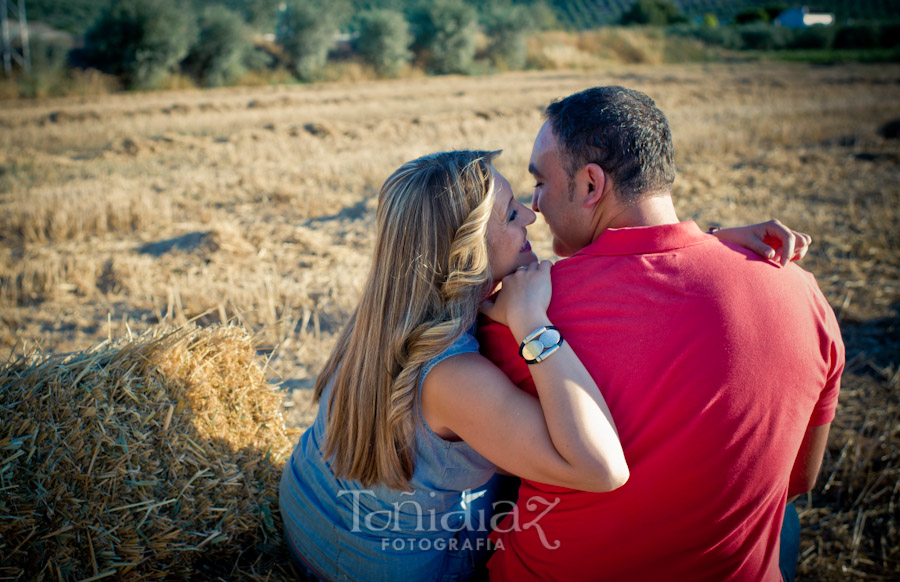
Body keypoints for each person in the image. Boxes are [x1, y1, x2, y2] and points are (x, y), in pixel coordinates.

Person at [279, 149, 814, 582]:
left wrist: (708, 247)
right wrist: (533, 325)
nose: (532, 215)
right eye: (512, 214)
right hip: (372, 565)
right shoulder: (452, 378)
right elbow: (602, 470)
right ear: (468, 248)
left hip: (309, 504)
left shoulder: (393, 309)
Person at [477, 87, 845, 582]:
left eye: (540, 183)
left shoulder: (520, 316)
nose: (535, 206)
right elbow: (798, 480)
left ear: (591, 185)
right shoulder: (803, 292)